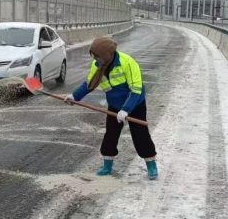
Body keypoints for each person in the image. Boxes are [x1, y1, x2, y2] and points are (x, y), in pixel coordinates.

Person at [64, 37, 158, 180]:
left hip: (135, 104)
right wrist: (74, 97)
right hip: (114, 106)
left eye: (97, 56)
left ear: (107, 55)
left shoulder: (128, 63)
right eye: (93, 55)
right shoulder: (98, 65)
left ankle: (151, 165)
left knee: (140, 135)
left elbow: (136, 90)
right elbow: (89, 83)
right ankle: (107, 165)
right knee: (111, 135)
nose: (95, 59)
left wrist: (126, 109)